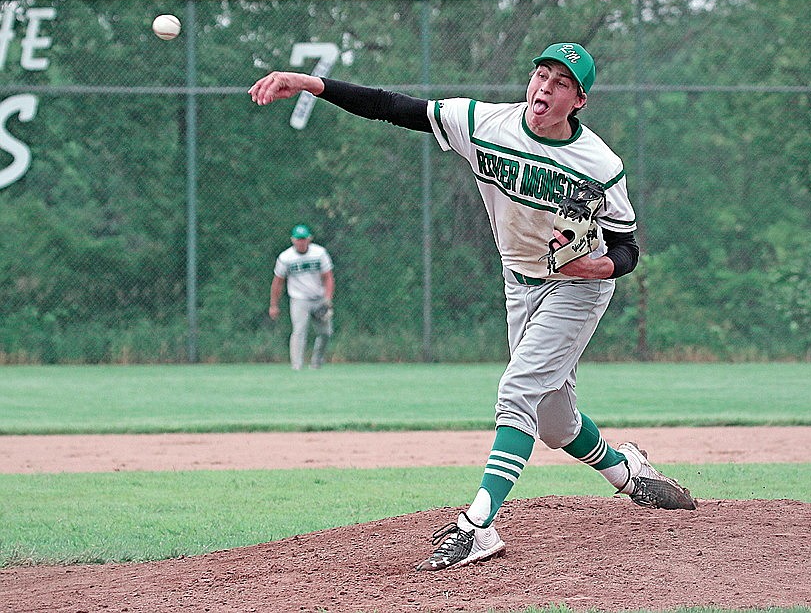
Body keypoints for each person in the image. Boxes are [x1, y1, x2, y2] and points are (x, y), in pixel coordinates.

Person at [250, 42, 695, 570]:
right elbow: (393, 107)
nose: (545, 88)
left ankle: (478, 525)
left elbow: (627, 249)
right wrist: (310, 84)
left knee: (518, 390)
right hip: (521, 282)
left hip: (577, 290)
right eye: (541, 76)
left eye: (560, 83)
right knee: (553, 423)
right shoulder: (484, 125)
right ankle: (629, 474)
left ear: (579, 100)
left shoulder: (599, 163)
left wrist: (594, 268)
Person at [269, 224, 335, 370]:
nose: (301, 242)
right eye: (298, 239)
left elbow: (328, 277)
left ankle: (316, 361)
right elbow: (278, 282)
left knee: (326, 333)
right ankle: (297, 366)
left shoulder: (319, 253)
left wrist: (328, 299)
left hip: (319, 297)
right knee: (299, 331)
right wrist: (274, 305)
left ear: (309, 239)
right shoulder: (286, 257)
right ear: (293, 240)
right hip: (299, 299)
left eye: (304, 239)